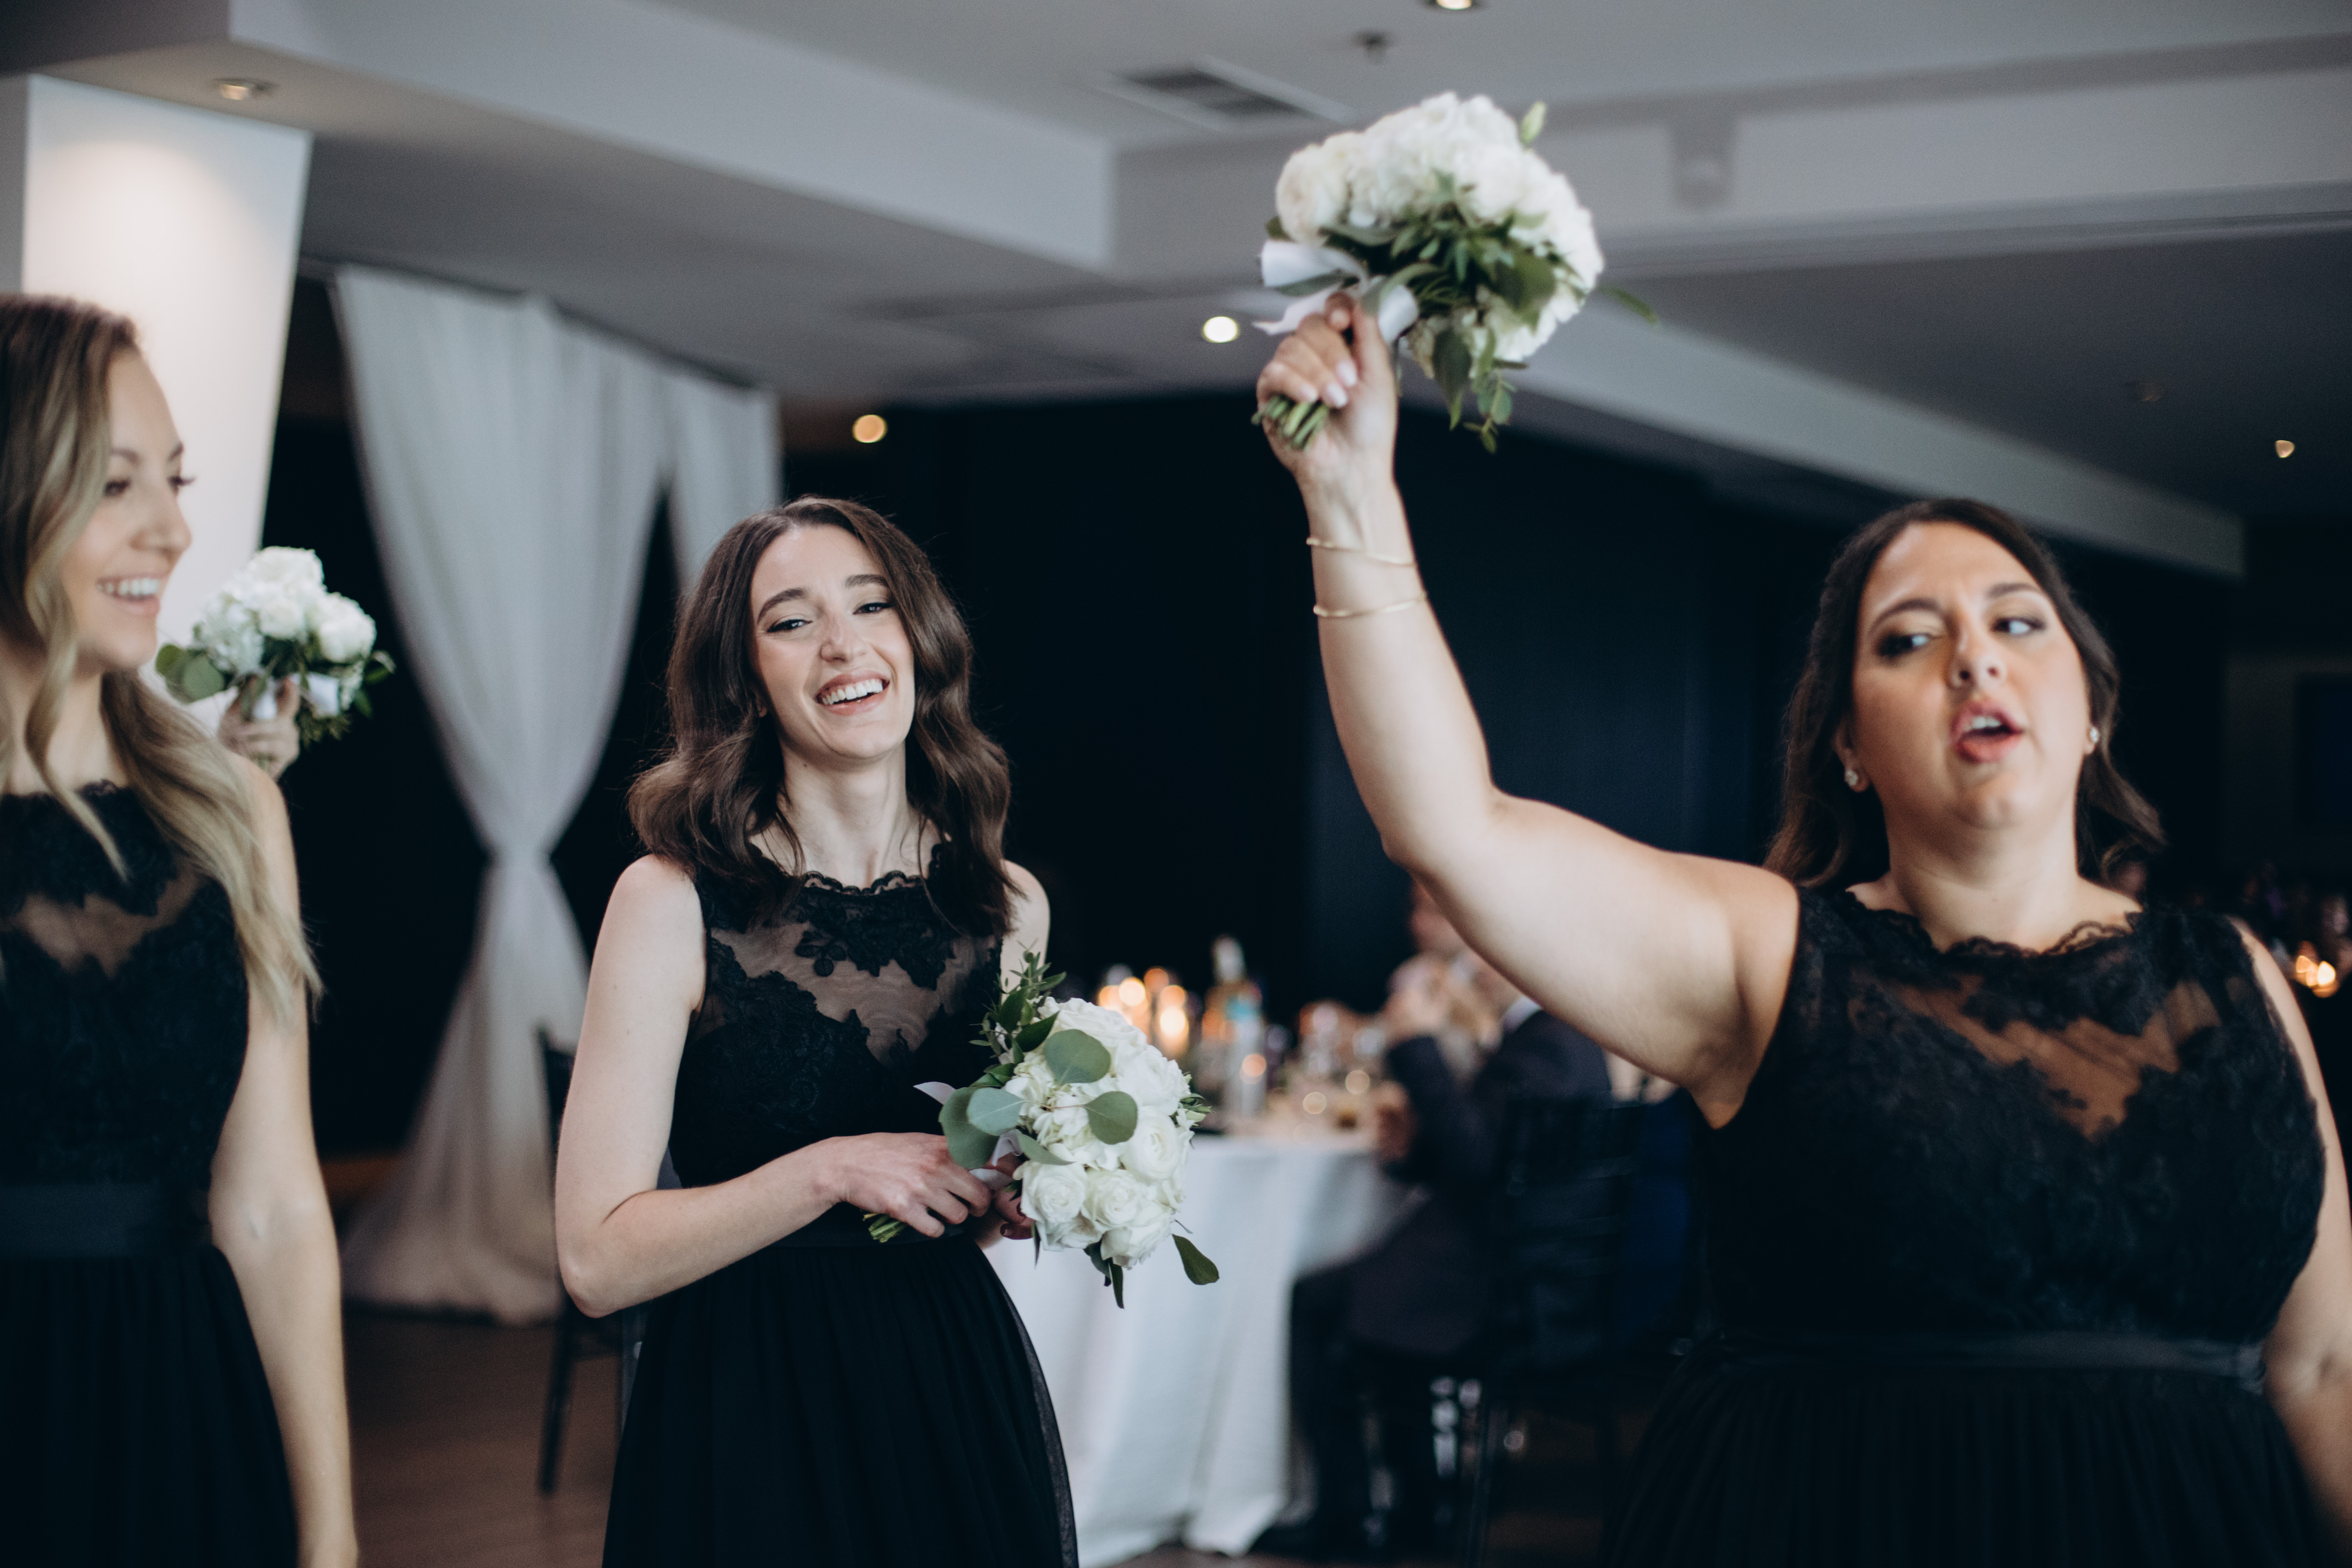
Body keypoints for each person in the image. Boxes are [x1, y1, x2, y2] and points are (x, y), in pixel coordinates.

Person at [1258, 299, 2351, 1566]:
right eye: (1909, 640)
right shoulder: (1770, 959)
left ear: (2092, 705)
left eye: (2016, 622)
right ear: (1847, 743)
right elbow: (1454, 827)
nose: (1974, 660)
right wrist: (1349, 492)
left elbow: (2323, 1363)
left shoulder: (2233, 976)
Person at [554, 497, 1074, 1568]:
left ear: (918, 638)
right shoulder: (668, 900)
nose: (844, 644)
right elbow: (595, 1260)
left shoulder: (1007, 904)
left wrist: (1019, 1191)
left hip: (949, 1393)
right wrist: (830, 1170)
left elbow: (956, 1197)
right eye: (792, 622)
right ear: (747, 681)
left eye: (871, 605)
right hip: (746, 1402)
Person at [0, 297, 355, 1564]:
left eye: (176, 479)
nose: (173, 528)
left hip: (184, 1427)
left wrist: (331, 1538)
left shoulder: (231, 811)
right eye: (114, 483)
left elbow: (275, 1208)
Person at [1277, 887, 1612, 1558]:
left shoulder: (1546, 1045)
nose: (1474, 963)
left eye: (1488, 948)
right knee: (1358, 1296)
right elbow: (1495, 1157)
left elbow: (1475, 1160)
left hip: (1506, 1291)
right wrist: (1413, 1149)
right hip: (1521, 1273)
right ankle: (1415, 1505)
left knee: (1319, 1303)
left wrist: (1416, 1046)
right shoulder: (1557, 1037)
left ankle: (1352, 1515)